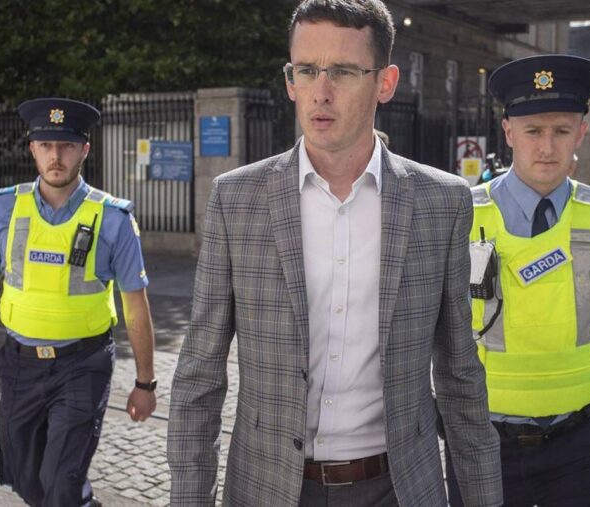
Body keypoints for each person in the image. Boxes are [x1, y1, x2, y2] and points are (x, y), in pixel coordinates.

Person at [167, 1, 502, 506]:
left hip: (398, 488)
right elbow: (200, 373)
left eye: (343, 72)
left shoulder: (441, 202)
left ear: (385, 83)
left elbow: (459, 373)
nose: (320, 92)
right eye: (306, 70)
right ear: (290, 80)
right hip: (268, 489)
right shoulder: (236, 199)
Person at [445, 54, 590, 507]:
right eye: (533, 131)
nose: (547, 147)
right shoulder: (459, 217)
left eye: (561, 131)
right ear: (508, 132)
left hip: (581, 445)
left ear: (581, 133)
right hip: (481, 444)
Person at [0, 98, 157, 507]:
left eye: (66, 145)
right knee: (25, 477)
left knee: (61, 480)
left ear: (84, 150)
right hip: (20, 365)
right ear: (32, 149)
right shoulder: (0, 211)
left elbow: (136, 307)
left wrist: (145, 383)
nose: (55, 156)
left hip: (83, 365)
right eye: (45, 145)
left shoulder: (113, 220)